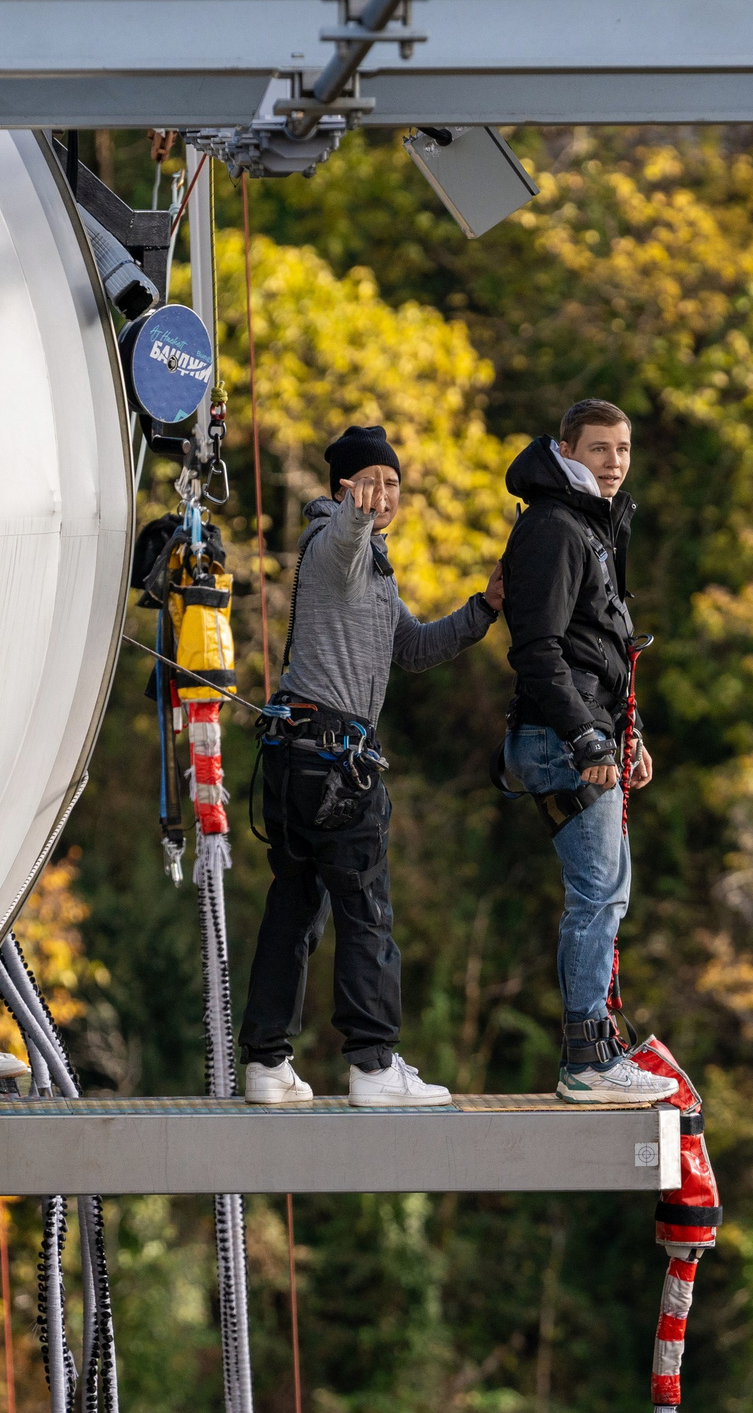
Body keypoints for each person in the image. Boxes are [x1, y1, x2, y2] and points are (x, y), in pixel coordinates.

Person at [242, 423, 504, 1107]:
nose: (382, 494)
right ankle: (373, 1064)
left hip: (298, 760)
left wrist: (485, 608)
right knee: (367, 914)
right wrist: (356, 516)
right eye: (369, 483)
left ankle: (267, 1062)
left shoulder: (377, 572)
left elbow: (413, 648)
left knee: (294, 909)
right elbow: (344, 542)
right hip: (334, 764)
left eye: (390, 483)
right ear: (342, 490)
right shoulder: (337, 544)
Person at [499, 400, 678, 1105]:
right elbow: (537, 650)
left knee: (611, 894)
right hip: (560, 740)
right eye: (598, 448)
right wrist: (587, 737)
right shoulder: (553, 527)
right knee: (597, 896)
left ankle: (597, 1047)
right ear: (566, 449)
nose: (613, 461)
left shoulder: (591, 526)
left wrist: (627, 739)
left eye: (624, 449)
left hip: (589, 736)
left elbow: (597, 653)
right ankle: (586, 1059)